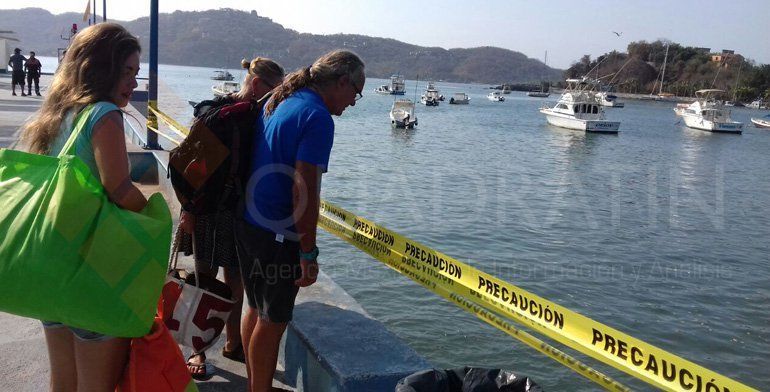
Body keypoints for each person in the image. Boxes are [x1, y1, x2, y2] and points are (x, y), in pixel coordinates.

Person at [21, 23, 145, 391]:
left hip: (51, 267)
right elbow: (119, 189)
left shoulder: (59, 113)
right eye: (127, 71)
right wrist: (153, 213)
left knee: (64, 382)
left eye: (136, 72)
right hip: (92, 272)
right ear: (102, 68)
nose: (134, 83)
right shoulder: (103, 114)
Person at [236, 49, 365, 392]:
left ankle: (254, 385)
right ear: (342, 82)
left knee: (256, 309)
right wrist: (308, 252)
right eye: (356, 92)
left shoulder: (282, 98)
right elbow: (303, 191)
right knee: (272, 321)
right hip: (277, 234)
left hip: (249, 222)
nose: (354, 102)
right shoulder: (317, 117)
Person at [179, 56, 285, 380]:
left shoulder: (256, 116)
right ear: (257, 85)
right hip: (210, 210)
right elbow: (189, 167)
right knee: (206, 279)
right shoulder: (223, 117)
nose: (278, 98)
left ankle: (232, 342)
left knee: (236, 279)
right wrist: (188, 210)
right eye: (275, 90)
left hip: (239, 211)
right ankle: (197, 350)